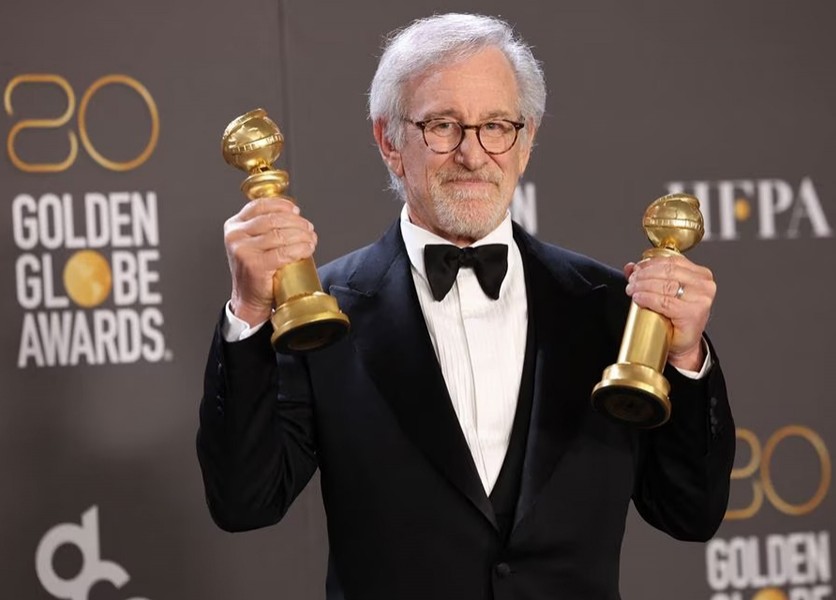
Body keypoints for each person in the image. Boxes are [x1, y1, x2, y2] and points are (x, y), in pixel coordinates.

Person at [197, 13, 735, 600]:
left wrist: (684, 356)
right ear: (389, 142)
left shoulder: (612, 310)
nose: (474, 156)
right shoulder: (320, 314)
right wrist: (250, 309)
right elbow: (245, 502)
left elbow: (689, 513)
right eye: (443, 126)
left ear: (527, 142)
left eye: (497, 126)